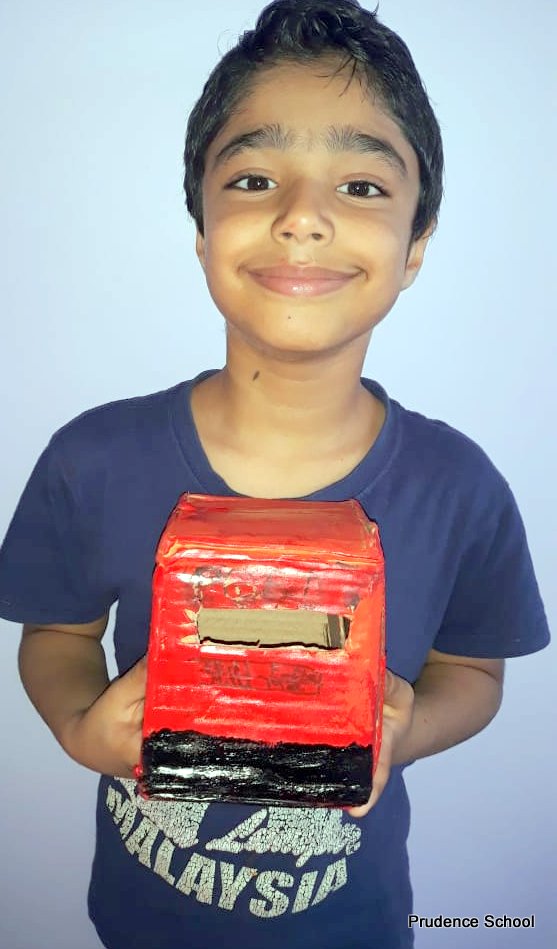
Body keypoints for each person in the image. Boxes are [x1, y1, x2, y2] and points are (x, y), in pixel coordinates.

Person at [0, 1, 549, 947]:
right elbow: (57, 633)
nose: (302, 217)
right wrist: (80, 726)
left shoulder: (459, 488)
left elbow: (472, 670)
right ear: (202, 229)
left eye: (362, 186)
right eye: (254, 179)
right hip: (139, 920)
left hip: (353, 924)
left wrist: (406, 726)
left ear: (415, 247)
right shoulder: (93, 459)